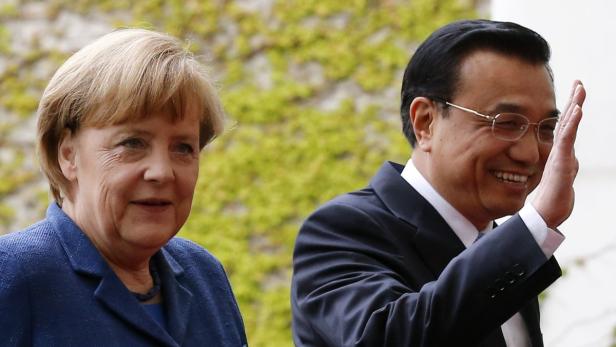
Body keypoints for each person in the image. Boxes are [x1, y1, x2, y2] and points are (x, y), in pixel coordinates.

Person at [291, 19, 587, 346]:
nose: (530, 153)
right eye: (505, 122)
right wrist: (535, 224)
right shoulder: (341, 230)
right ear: (426, 122)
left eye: (546, 128)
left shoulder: (505, 246)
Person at [0, 29, 247, 347]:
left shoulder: (204, 274)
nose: (162, 172)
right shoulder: (13, 274)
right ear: (68, 155)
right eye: (132, 143)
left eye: (183, 148)